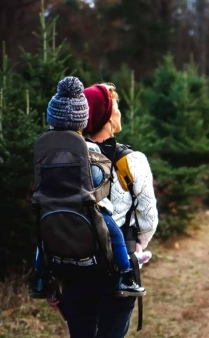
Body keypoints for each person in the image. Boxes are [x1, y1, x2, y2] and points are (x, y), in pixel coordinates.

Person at [47, 79, 158, 338]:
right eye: (116, 105)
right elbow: (149, 218)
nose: (120, 110)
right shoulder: (132, 160)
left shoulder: (67, 158)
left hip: (74, 265)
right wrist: (137, 247)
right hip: (117, 270)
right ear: (108, 115)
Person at [31, 76, 146, 299]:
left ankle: (39, 278)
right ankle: (125, 276)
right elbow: (96, 178)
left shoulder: (44, 146)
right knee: (114, 234)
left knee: (42, 238)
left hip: (50, 204)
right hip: (84, 204)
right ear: (82, 120)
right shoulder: (88, 147)